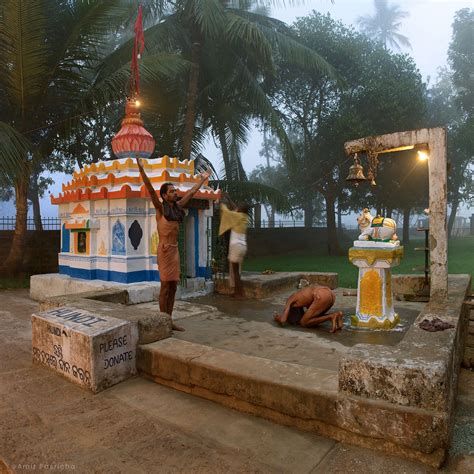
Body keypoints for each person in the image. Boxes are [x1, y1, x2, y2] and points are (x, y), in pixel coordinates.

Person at [136, 157, 211, 331]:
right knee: (165, 287)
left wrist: (202, 179)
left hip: (175, 251)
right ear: (164, 195)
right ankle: (163, 320)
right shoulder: (160, 209)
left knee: (174, 286)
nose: (175, 193)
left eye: (175, 190)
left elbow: (191, 193)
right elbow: (150, 189)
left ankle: (169, 320)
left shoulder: (178, 207)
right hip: (164, 251)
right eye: (171, 191)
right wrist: (141, 170)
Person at [273, 285, 343, 333]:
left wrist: (277, 318)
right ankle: (338, 315)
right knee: (312, 318)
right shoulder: (300, 298)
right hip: (330, 294)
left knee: (304, 323)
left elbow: (283, 320)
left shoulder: (290, 299)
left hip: (320, 295)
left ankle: (331, 316)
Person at [218, 193, 249, 298]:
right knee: (236, 270)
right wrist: (229, 198)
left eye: (238, 207)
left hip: (236, 246)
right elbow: (235, 208)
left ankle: (240, 293)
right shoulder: (244, 217)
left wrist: (221, 203)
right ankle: (237, 291)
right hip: (242, 246)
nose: (237, 208)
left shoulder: (237, 216)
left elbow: (227, 213)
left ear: (240, 210)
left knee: (235, 271)